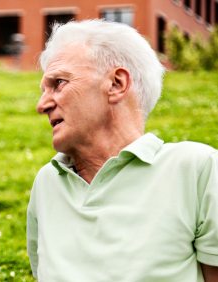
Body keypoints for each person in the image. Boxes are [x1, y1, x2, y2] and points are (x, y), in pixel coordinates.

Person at [27, 19, 218, 281]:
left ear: (116, 84)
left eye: (58, 83)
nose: (42, 105)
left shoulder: (197, 168)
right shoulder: (47, 182)